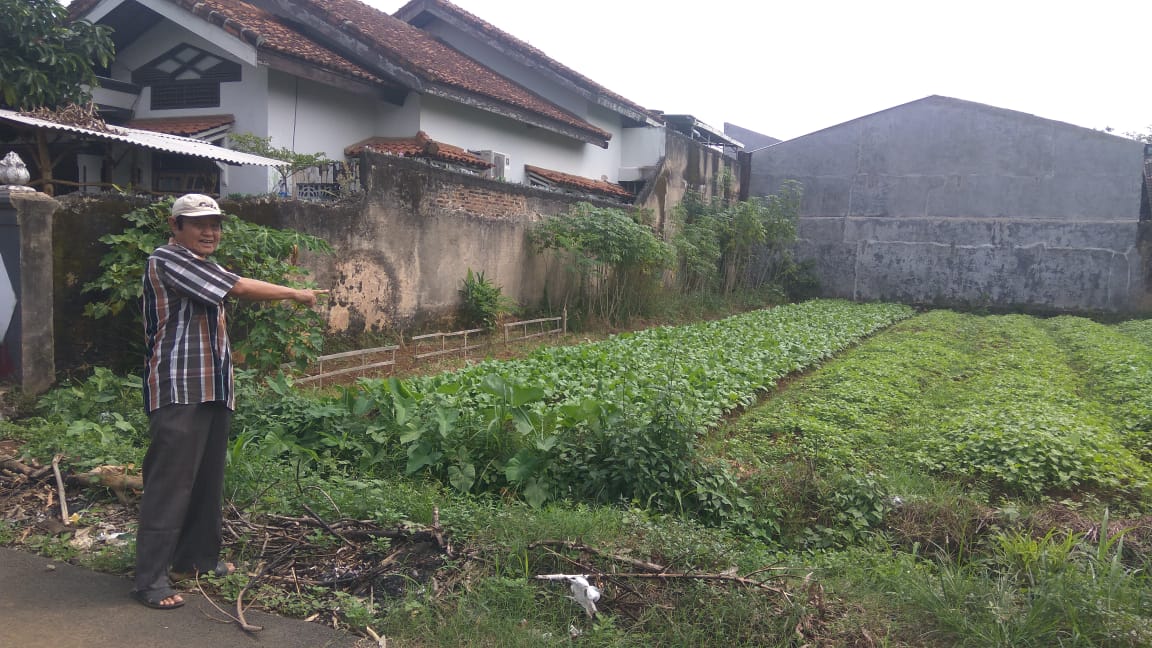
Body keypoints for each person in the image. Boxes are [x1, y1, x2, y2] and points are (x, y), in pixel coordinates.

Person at [132, 194, 327, 609]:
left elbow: (227, 283)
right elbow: (236, 287)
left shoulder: (203, 264)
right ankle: (150, 581)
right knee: (170, 484)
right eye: (199, 224)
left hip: (213, 387)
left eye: (215, 224)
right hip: (179, 387)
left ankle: (196, 561)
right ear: (175, 226)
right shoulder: (167, 259)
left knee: (206, 479)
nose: (209, 232)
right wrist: (295, 292)